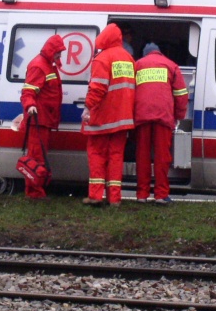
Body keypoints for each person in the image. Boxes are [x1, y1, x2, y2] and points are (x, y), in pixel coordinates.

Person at [81, 23, 135, 207]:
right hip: (123, 119)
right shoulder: (128, 58)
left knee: (96, 155)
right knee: (116, 158)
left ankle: (96, 196)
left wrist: (87, 107)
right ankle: (115, 199)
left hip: (103, 119)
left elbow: (97, 88)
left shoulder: (102, 59)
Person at [134, 43, 189, 205]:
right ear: (160, 52)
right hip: (163, 116)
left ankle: (142, 194)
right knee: (162, 156)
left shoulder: (137, 65)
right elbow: (181, 94)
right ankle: (160, 194)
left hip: (141, 115)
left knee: (142, 156)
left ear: (145, 54)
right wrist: (178, 116)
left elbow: (129, 91)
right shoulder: (171, 65)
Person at [20, 35, 66, 200]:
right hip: (38, 121)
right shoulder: (39, 66)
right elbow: (28, 92)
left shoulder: (48, 65)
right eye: (58, 52)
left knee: (39, 157)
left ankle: (37, 191)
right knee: (36, 158)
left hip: (44, 120)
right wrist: (30, 105)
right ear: (51, 51)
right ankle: (34, 193)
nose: (60, 56)